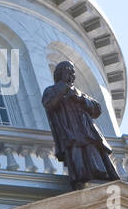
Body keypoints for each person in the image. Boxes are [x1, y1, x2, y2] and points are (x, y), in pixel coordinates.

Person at [41, 61, 120, 190]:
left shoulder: (79, 92)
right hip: (70, 131)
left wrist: (81, 99)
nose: (72, 74)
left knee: (95, 156)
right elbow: (49, 104)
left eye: (73, 71)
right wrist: (63, 91)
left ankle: (101, 176)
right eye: (69, 71)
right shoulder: (52, 90)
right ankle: (80, 179)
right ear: (61, 73)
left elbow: (97, 109)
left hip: (87, 131)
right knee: (77, 157)